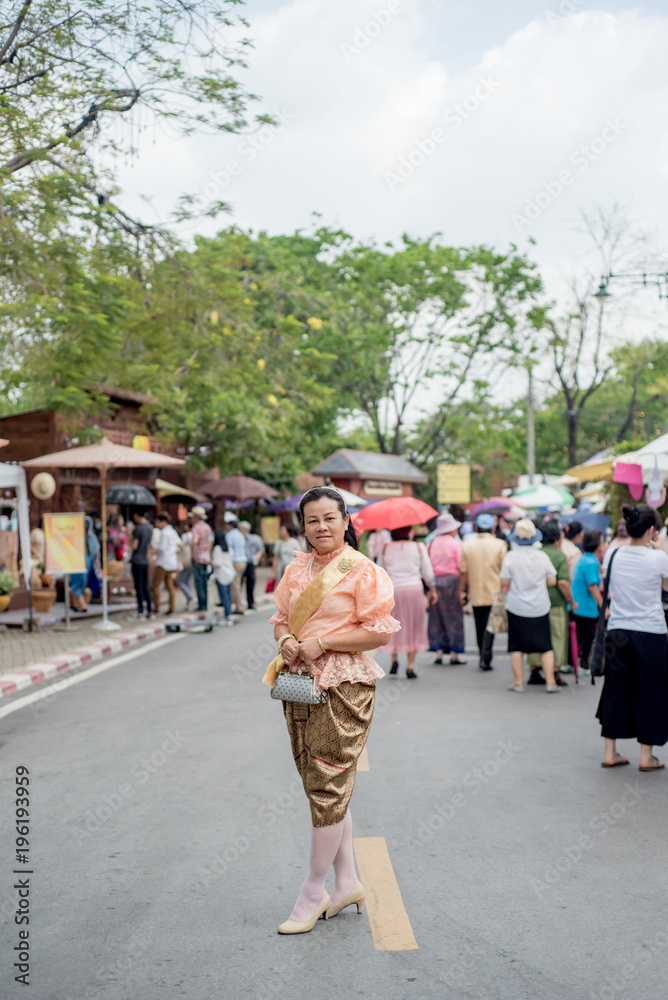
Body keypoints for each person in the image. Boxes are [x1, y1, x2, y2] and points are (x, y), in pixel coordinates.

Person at [266, 485, 399, 934]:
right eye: (311, 521)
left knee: (327, 783)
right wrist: (286, 640)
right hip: (299, 683)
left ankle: (312, 891)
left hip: (344, 686)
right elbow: (282, 616)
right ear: (302, 527)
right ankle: (347, 883)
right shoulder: (296, 568)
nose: (321, 527)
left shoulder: (363, 571)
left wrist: (323, 642)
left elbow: (378, 633)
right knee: (321, 784)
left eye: (329, 518)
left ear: (345, 521)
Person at [596, 504, 668, 771]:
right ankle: (646, 756)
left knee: (615, 688)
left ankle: (610, 752)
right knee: (650, 690)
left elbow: (610, 586)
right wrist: (661, 549)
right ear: (651, 530)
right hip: (651, 632)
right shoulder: (658, 558)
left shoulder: (612, 554)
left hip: (618, 631)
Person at [499, 519, 560, 693]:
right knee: (545, 645)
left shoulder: (511, 557)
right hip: (540, 606)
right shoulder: (542, 556)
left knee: (516, 645)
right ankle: (550, 682)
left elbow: (504, 580)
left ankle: (518, 683)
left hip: (517, 606)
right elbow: (552, 580)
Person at [378, 526, 437, 679]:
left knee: (393, 625)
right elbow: (428, 572)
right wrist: (432, 590)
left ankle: (394, 659)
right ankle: (410, 666)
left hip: (393, 591)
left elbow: (380, 572)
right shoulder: (418, 547)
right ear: (409, 532)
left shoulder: (385, 548)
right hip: (414, 590)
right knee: (414, 625)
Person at [527, 521, 577, 686]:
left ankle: (534, 670)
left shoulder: (534, 554)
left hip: (535, 602)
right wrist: (571, 601)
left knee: (536, 636)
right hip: (555, 603)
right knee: (556, 636)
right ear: (557, 538)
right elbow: (563, 583)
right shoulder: (560, 556)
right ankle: (554, 672)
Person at [460, 513, 508, 671]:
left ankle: (483, 654)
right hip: (495, 591)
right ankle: (485, 657)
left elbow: (464, 572)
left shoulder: (467, 545)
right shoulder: (500, 545)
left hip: (475, 592)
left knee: (479, 625)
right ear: (493, 527)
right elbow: (504, 570)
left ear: (476, 528)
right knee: (490, 626)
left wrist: (463, 591)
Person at [426, 512, 466, 665]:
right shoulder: (456, 543)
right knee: (454, 616)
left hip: (435, 582)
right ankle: (455, 653)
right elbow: (461, 566)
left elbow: (427, 566)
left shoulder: (431, 544)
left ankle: (438, 652)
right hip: (453, 582)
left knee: (436, 617)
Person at [571, 529, 606, 674]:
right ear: (597, 544)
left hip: (580, 604)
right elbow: (592, 586)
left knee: (580, 635)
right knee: (588, 635)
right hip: (585, 606)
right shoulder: (591, 561)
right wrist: (603, 606)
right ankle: (583, 666)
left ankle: (574, 663)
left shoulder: (586, 558)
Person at [130, 510, 153, 617]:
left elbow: (134, 546)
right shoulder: (150, 528)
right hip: (145, 559)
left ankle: (140, 609)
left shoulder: (138, 529)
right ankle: (149, 609)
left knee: (138, 586)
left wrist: (129, 536)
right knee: (145, 585)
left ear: (136, 515)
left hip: (137, 560)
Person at [190, 506, 213, 611]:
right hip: (206, 556)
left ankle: (202, 604)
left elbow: (194, 542)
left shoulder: (196, 527)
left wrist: (193, 554)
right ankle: (206, 602)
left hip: (199, 556)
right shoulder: (207, 527)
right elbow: (210, 542)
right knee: (205, 581)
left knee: (199, 581)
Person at [212, 529, 235, 625]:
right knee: (228, 595)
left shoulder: (217, 548)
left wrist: (210, 561)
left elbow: (217, 562)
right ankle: (229, 613)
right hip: (230, 573)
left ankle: (227, 616)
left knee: (223, 596)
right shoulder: (228, 547)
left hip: (221, 574)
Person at [239, 520, 264, 611]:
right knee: (239, 583)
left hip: (250, 563)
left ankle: (250, 602)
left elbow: (260, 550)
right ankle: (238, 602)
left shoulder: (254, 539)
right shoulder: (239, 538)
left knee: (250, 583)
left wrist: (257, 558)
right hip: (241, 562)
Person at [224, 518, 248, 613]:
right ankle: (238, 604)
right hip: (243, 561)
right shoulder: (241, 535)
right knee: (237, 584)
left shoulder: (230, 535)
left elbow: (229, 550)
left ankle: (239, 606)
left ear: (230, 526)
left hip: (235, 561)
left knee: (235, 585)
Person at [175, 520, 195, 610]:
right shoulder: (194, 535)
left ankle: (191, 597)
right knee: (189, 582)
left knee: (180, 581)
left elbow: (181, 546)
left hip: (186, 561)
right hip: (193, 561)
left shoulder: (186, 536)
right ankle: (189, 601)